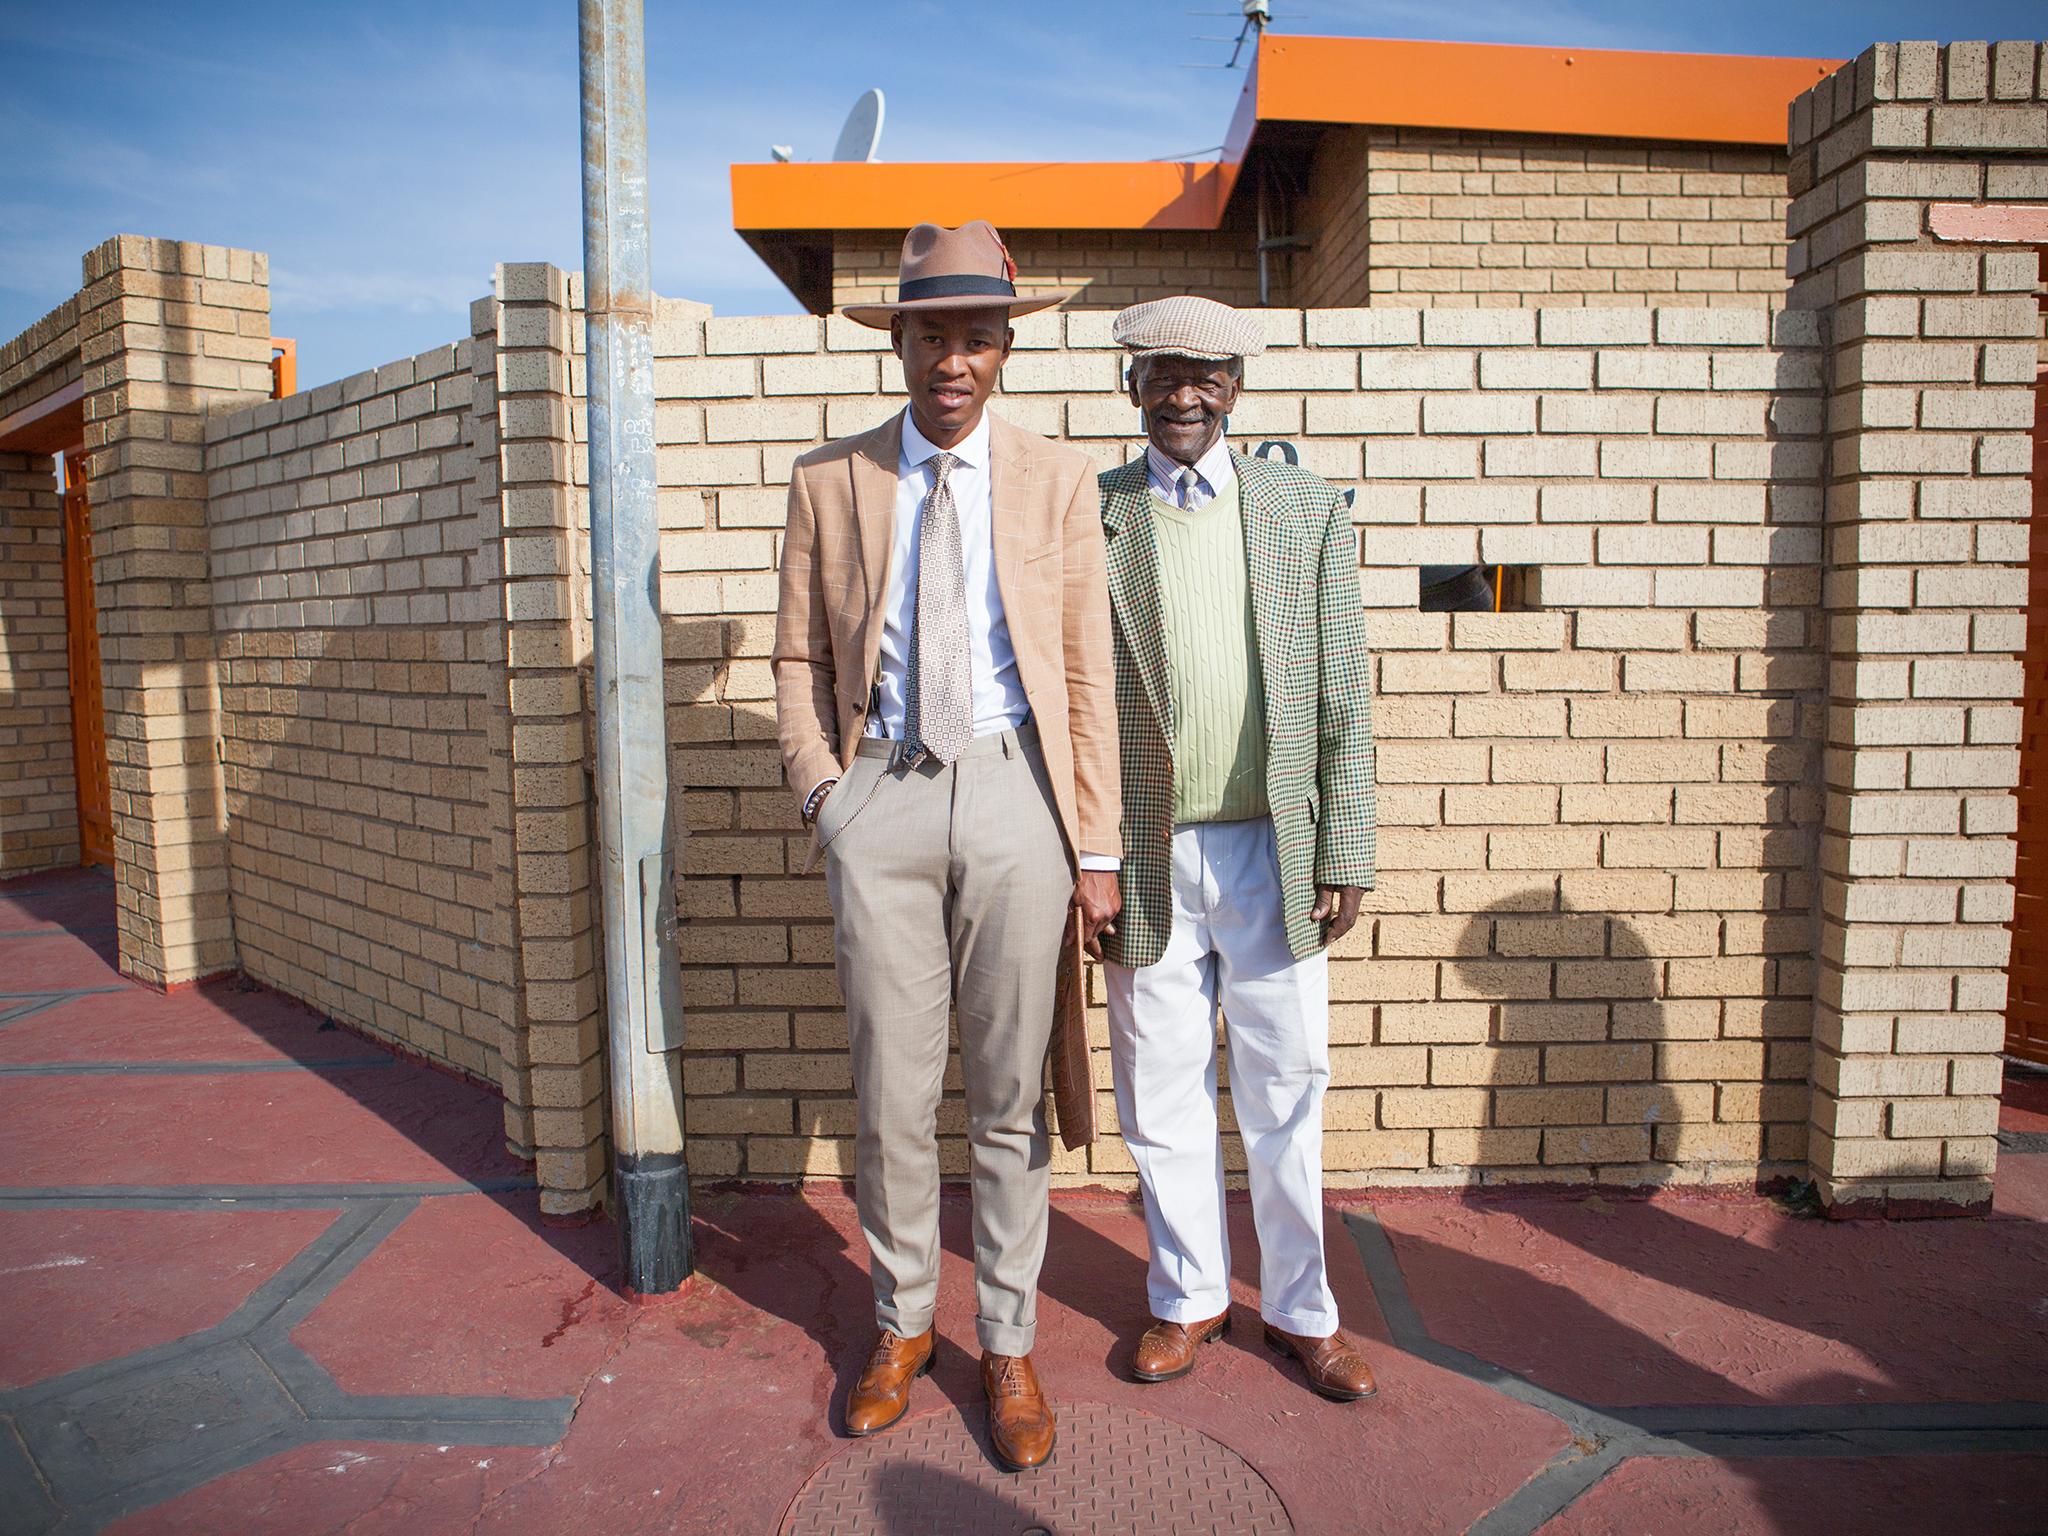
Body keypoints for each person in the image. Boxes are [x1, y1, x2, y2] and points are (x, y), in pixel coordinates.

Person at [771, 221, 1123, 1470]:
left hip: (1020, 790)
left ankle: (1010, 1340)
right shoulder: (832, 480)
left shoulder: (1056, 479)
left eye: (976, 336)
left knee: (1011, 1092)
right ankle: (901, 1325)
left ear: (1003, 349)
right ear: (901, 343)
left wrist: (1097, 846)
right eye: (931, 334)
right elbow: (798, 661)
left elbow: (1084, 670)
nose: (952, 360)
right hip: (883, 797)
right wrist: (826, 796)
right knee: (891, 1091)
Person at [1096, 294, 1379, 1401]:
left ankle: (1303, 1312)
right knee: (1158, 1090)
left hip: (1277, 845)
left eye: (1205, 375)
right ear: (1131, 385)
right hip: (1144, 851)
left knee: (1287, 1086)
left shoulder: (1300, 510)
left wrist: (1345, 844)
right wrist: (1090, 855)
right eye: (1164, 373)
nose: (1184, 394)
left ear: (1235, 388)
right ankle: (1187, 1300)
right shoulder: (1094, 511)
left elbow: (1342, 690)